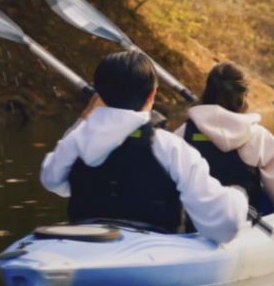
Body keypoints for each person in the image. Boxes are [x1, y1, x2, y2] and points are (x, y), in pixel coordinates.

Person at [40, 50, 248, 244]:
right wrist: (238, 196)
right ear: (152, 95)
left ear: (100, 97)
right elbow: (224, 226)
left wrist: (85, 118)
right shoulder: (171, 147)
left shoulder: (75, 140)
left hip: (85, 240)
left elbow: (52, 182)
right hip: (152, 246)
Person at [176, 61, 274, 212]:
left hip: (193, 221)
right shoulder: (258, 137)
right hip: (245, 223)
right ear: (246, 96)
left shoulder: (181, 134)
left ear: (207, 91)